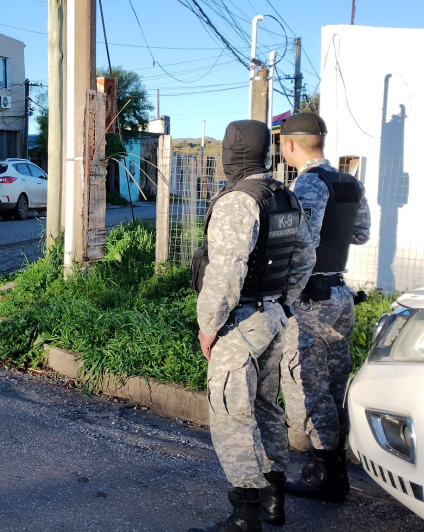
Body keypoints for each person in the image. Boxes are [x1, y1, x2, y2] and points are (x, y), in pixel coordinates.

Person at [189, 120, 315, 532]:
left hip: (239, 324)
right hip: (275, 317)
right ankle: (274, 503)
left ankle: (245, 517)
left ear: (232, 154)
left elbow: (225, 272)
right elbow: (305, 260)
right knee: (265, 408)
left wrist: (209, 326)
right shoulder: (285, 197)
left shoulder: (238, 200)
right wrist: (284, 302)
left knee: (231, 413)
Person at [278, 112, 371, 503]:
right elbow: (361, 234)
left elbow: (304, 242)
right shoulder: (351, 182)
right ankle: (335, 472)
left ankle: (325, 474)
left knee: (308, 385)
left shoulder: (309, 184)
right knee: (334, 383)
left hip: (311, 301)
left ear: (288, 145)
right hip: (340, 295)